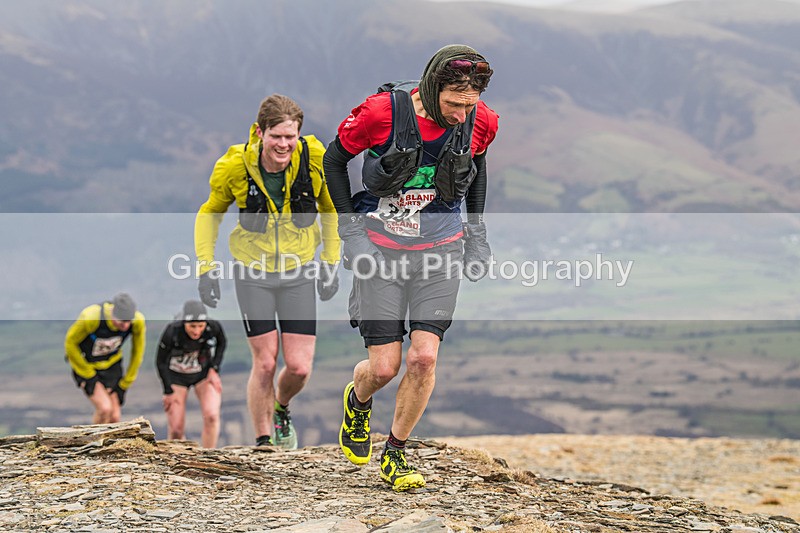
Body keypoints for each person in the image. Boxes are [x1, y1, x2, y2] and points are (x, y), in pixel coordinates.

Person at [323, 44, 499, 491]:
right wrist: (352, 234)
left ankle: (395, 454)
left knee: (423, 358)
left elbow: (477, 173)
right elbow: (334, 160)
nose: (462, 115)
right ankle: (358, 400)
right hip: (380, 249)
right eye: (453, 104)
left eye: (469, 105)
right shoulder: (380, 113)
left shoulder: (482, 122)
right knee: (383, 368)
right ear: (432, 86)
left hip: (441, 250)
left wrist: (476, 237)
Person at [194, 94, 341, 449]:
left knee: (299, 366)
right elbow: (210, 213)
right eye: (277, 136)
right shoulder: (234, 166)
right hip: (252, 273)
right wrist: (205, 267)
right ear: (260, 133)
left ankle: (281, 407)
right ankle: (263, 440)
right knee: (264, 362)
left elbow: (331, 210)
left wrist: (331, 262)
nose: (284, 144)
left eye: (290, 137)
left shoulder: (314, 159)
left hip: (299, 272)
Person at [64, 292, 146, 424]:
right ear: (113, 313)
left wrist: (126, 383)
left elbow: (138, 352)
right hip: (87, 366)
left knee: (114, 417)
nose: (125, 326)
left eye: (128, 321)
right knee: (104, 409)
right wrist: (87, 373)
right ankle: (94, 444)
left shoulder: (137, 322)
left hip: (112, 366)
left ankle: (110, 444)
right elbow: (70, 343)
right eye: (122, 321)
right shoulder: (92, 317)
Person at [156, 300, 226, 448]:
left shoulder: (212, 327)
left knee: (212, 416)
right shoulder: (172, 331)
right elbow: (160, 361)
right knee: (176, 429)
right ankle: (176, 460)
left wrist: (214, 368)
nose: (196, 331)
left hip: (203, 374)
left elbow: (222, 342)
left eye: (200, 326)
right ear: (184, 323)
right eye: (192, 326)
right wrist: (167, 390)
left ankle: (209, 456)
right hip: (176, 377)